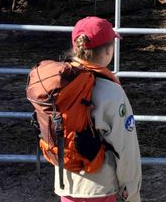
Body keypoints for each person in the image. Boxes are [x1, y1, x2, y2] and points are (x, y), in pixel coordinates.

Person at [58, 16, 142, 202]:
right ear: (108, 51)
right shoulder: (111, 92)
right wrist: (132, 192)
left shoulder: (58, 85)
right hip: (100, 187)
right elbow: (125, 148)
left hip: (67, 184)